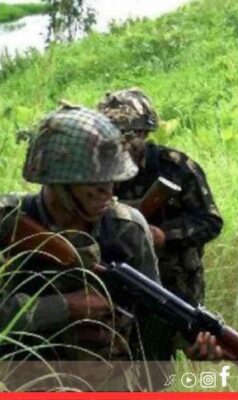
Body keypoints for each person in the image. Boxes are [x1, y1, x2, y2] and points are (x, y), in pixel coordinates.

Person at [0, 105, 221, 367]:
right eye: (94, 181)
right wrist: (64, 307)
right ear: (56, 180)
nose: (108, 191)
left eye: (112, 178)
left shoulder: (127, 228)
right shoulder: (9, 223)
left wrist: (189, 340)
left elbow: (151, 312)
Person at [97, 88, 223, 305]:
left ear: (143, 133)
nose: (118, 144)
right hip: (117, 280)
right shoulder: (95, 170)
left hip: (175, 284)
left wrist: (165, 235)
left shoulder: (176, 167)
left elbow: (210, 222)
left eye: (126, 135)